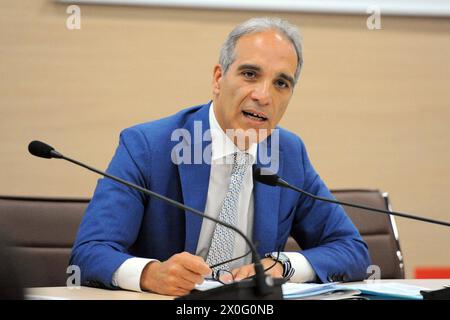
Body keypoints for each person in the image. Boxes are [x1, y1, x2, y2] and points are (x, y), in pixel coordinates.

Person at [70, 17, 370, 296]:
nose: (264, 96)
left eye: (281, 83)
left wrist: (283, 265)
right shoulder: (148, 146)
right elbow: (89, 253)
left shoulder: (288, 154)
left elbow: (351, 249)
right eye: (250, 74)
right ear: (218, 78)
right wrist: (150, 274)